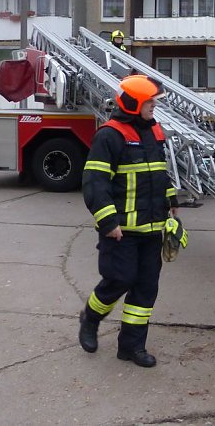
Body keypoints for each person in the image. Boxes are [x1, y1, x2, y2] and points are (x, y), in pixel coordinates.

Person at [78, 75, 179, 368]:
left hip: (152, 228)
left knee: (146, 288)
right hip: (121, 231)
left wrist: (171, 203)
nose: (153, 108)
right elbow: (95, 183)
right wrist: (109, 222)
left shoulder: (154, 131)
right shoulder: (110, 135)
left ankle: (132, 347)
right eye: (149, 103)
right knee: (119, 280)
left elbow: (160, 173)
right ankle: (91, 318)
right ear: (133, 103)